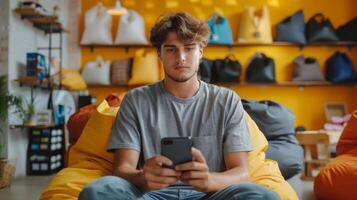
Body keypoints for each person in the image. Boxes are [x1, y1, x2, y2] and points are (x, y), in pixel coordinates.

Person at [79, 12, 280, 200]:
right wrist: (142, 177)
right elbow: (122, 168)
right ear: (159, 54)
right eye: (171, 49)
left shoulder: (227, 100)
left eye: (189, 48)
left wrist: (209, 180)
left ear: (201, 51)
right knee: (96, 191)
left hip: (209, 194)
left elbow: (241, 172)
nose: (181, 57)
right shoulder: (134, 100)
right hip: (150, 194)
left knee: (265, 196)